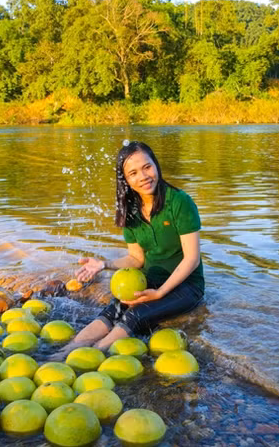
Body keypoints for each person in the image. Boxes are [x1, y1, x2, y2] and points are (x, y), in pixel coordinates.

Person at [60, 140, 205, 354]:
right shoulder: (130, 211)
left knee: (135, 316)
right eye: (133, 173)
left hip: (186, 286)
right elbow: (136, 259)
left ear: (156, 165)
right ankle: (63, 354)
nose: (143, 177)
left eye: (147, 167)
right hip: (151, 280)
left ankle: (95, 356)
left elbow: (192, 259)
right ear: (126, 180)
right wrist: (104, 264)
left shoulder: (179, 202)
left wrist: (160, 293)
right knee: (113, 311)